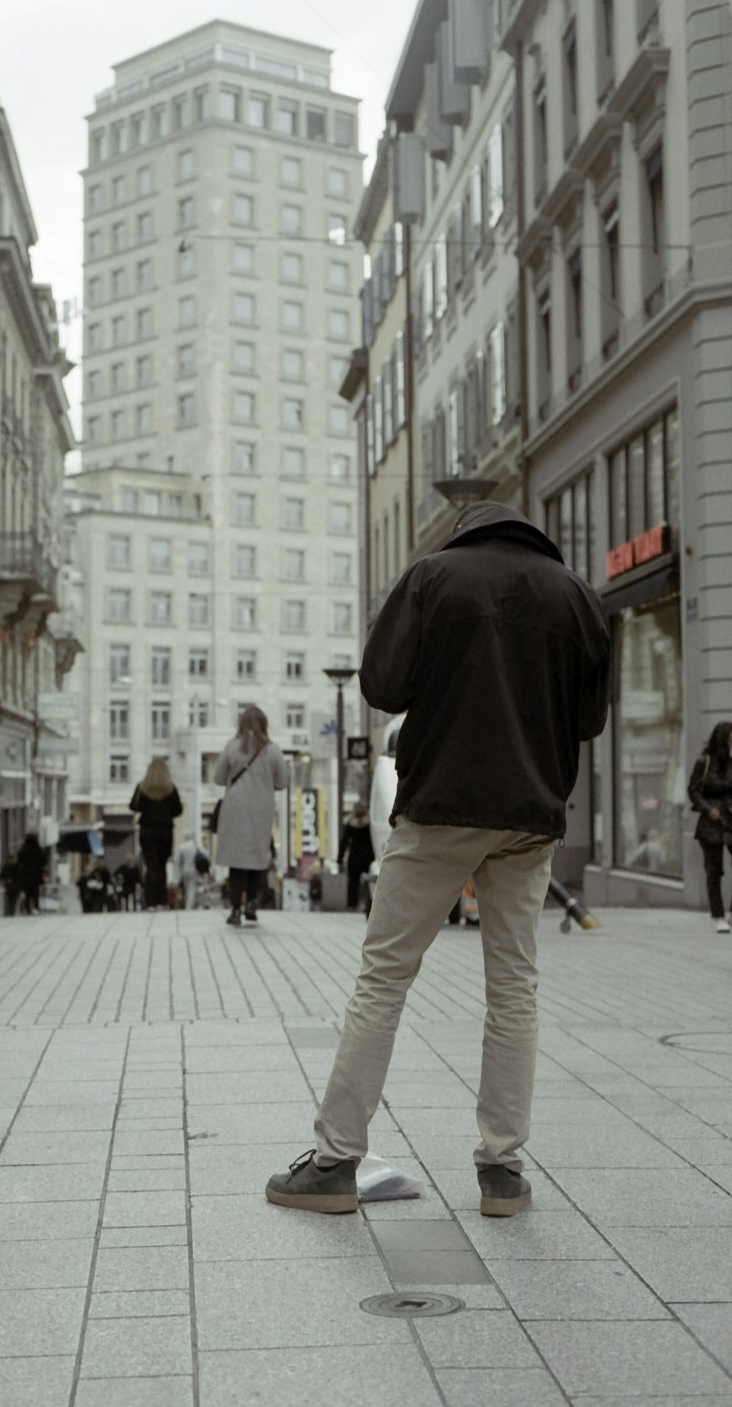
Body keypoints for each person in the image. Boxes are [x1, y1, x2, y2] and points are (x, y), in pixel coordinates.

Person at [266, 502, 611, 1218]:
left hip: (441, 805)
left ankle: (335, 1162)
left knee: (384, 978)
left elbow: (382, 686)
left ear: (465, 533)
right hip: (529, 817)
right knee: (514, 987)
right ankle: (503, 1171)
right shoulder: (577, 594)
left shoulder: (433, 577)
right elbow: (589, 720)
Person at [214, 704, 288, 926]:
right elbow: (283, 781)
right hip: (261, 809)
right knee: (257, 857)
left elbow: (218, 778)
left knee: (237, 860)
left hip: (235, 808)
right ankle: (252, 904)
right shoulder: (273, 750)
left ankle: (235, 907)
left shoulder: (232, 747)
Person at [688, 721, 732, 933]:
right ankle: (718, 915)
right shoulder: (704, 761)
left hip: (731, 820)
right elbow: (694, 790)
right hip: (711, 823)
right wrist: (708, 809)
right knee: (714, 871)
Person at [130, 759, 183, 910]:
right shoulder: (171, 789)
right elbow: (178, 810)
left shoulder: (142, 788)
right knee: (161, 866)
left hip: (147, 831)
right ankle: (161, 901)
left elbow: (133, 806)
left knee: (150, 866)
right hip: (165, 832)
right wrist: (166, 812)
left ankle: (150, 902)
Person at [338, 800, 375, 912]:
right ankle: (369, 903)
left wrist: (340, 858)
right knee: (369, 882)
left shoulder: (350, 823)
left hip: (354, 856)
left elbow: (344, 842)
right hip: (369, 856)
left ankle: (352, 905)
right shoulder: (370, 823)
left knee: (353, 882)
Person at [16, 832, 46, 916]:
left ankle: (28, 909)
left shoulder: (23, 849)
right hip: (36, 874)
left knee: (27, 893)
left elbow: (19, 862)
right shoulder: (38, 849)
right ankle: (36, 907)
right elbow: (43, 861)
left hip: (26, 874)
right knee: (35, 892)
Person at [175, 830, 201, 910]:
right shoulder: (195, 846)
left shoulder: (181, 847)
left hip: (184, 869)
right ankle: (189, 906)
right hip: (193, 869)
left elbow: (177, 860)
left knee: (186, 888)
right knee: (192, 888)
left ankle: (188, 905)